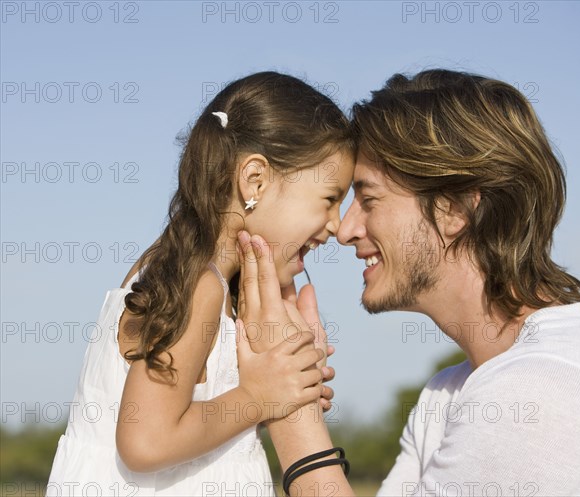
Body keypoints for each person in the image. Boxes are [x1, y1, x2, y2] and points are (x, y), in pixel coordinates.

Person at [236, 69, 580, 496]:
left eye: (368, 199)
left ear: (456, 209)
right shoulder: (447, 392)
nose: (345, 229)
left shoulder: (539, 391)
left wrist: (291, 406)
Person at [46, 71, 355, 496]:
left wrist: (279, 392)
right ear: (255, 180)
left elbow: (187, 421)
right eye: (330, 199)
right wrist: (259, 395)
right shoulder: (198, 286)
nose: (337, 227)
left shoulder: (184, 270)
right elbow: (146, 442)